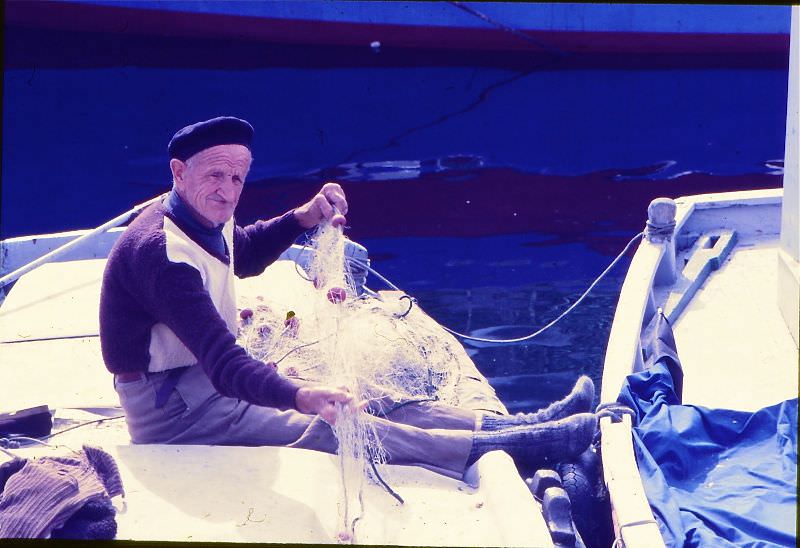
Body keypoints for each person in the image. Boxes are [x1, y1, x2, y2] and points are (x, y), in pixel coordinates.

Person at [99, 116, 598, 480]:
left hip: (203, 381)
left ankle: (520, 421)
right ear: (178, 173)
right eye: (214, 175)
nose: (228, 191)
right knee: (330, 427)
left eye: (237, 178)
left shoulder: (201, 215)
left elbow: (242, 253)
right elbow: (225, 363)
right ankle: (511, 446)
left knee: (365, 396)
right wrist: (300, 396)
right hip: (173, 411)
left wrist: (303, 216)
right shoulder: (161, 254)